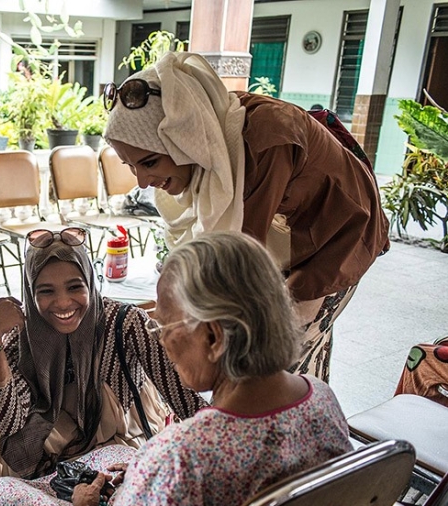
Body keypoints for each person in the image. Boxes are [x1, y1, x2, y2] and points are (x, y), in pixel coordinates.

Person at [103, 51, 389, 382]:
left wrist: (178, 319)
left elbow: (237, 263)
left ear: (184, 140)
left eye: (150, 162)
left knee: (273, 357)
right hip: (287, 237)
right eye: (130, 165)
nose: (141, 181)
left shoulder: (263, 142)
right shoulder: (209, 131)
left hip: (337, 239)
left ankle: (295, 423)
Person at [71, 232, 353, 506]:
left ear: (214, 338)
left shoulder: (180, 457)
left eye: (165, 326)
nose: (162, 342)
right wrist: (149, 477)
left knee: (6, 496)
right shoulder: (321, 398)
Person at [0, 227, 205, 506]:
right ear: (29, 291)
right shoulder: (20, 337)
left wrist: (172, 461)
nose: (63, 302)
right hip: (45, 463)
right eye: (45, 291)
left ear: (90, 282)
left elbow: (187, 400)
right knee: (4, 481)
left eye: (75, 287)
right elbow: (10, 423)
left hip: (116, 451)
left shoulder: (124, 324)